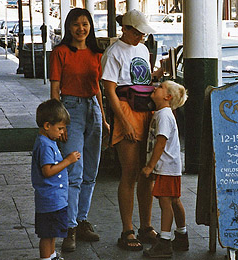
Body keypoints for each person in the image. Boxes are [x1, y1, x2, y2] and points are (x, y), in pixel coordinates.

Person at [101, 9, 163, 251]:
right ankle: (127, 228)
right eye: (136, 32)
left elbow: (144, 81)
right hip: (126, 110)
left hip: (146, 111)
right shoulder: (113, 52)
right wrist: (122, 120)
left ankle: (146, 226)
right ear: (125, 29)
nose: (140, 37)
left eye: (143, 33)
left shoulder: (143, 49)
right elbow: (110, 90)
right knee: (129, 172)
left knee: (147, 173)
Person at [49, 8, 109, 252]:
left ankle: (82, 220)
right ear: (68, 27)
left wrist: (103, 118)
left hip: (93, 108)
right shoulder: (60, 52)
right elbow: (54, 90)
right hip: (70, 108)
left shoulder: (97, 54)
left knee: (91, 171)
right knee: (74, 171)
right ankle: (70, 228)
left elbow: (98, 90)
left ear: (90, 27)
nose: (81, 29)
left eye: (85, 24)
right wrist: (58, 123)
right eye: (76, 24)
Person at [141, 81, 189, 258]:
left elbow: (161, 142)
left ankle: (165, 242)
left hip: (166, 166)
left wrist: (150, 166)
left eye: (160, 87)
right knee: (175, 200)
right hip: (172, 166)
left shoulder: (163, 116)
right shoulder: (164, 114)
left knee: (165, 202)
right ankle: (182, 235)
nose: (155, 87)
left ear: (168, 97)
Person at [31, 99, 81, 260]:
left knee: (52, 232)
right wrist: (67, 161)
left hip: (55, 199)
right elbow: (47, 171)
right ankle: (46, 257)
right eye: (60, 128)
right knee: (47, 235)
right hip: (49, 200)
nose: (62, 132)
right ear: (47, 126)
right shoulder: (45, 145)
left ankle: (52, 255)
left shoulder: (49, 142)